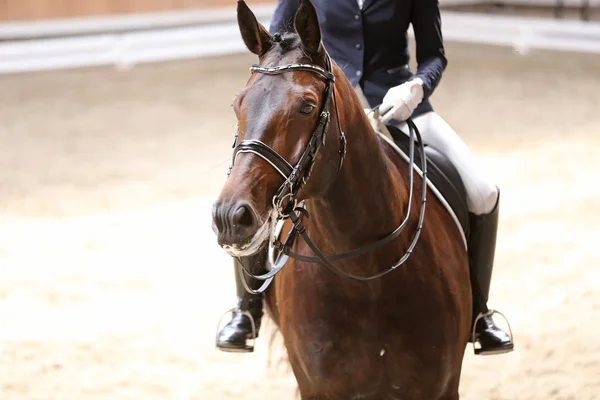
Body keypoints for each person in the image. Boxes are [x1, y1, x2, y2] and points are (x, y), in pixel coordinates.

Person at [217, 0, 514, 356]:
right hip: (327, 108)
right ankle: (247, 310)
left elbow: (435, 56)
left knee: (483, 191)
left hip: (396, 105)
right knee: (250, 184)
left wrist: (416, 87)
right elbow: (276, 46)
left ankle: (480, 314)